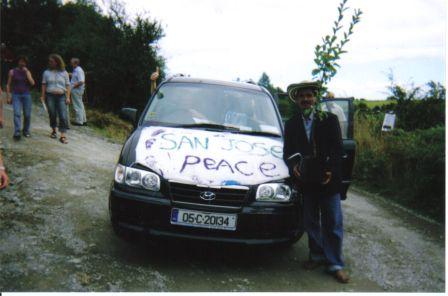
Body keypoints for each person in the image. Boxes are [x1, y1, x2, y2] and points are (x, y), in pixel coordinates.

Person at [283, 80, 349, 284]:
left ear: (315, 98)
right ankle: (317, 256)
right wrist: (293, 164)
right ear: (297, 100)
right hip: (306, 179)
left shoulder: (329, 119)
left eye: (309, 95)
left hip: (328, 179)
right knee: (310, 221)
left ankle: (335, 264)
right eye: (301, 96)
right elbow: (288, 151)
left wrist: (330, 170)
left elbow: (338, 149)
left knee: (333, 222)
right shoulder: (292, 123)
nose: (305, 99)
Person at [41, 54, 71, 144]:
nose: (50, 63)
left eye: (52, 61)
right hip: (50, 95)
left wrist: (68, 97)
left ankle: (63, 135)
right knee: (52, 113)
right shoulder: (46, 72)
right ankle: (54, 130)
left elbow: (68, 85)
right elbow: (44, 84)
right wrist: (42, 96)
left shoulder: (64, 73)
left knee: (63, 115)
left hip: (61, 96)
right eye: (49, 61)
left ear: (57, 62)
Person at [6, 55, 35, 140]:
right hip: (16, 95)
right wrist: (8, 96)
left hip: (26, 94)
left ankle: (26, 130)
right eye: (21, 61)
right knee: (17, 113)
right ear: (18, 62)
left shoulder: (27, 71)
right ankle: (17, 132)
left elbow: (32, 83)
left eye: (24, 62)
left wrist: (27, 73)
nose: (22, 63)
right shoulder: (12, 71)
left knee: (27, 114)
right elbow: (8, 85)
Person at [70, 58, 87, 126]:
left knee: (77, 105)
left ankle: (79, 121)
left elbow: (81, 81)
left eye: (72, 62)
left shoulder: (79, 70)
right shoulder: (76, 70)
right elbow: (75, 77)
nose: (71, 64)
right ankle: (83, 120)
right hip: (77, 90)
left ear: (75, 63)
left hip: (77, 90)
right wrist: (68, 74)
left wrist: (73, 86)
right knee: (80, 104)